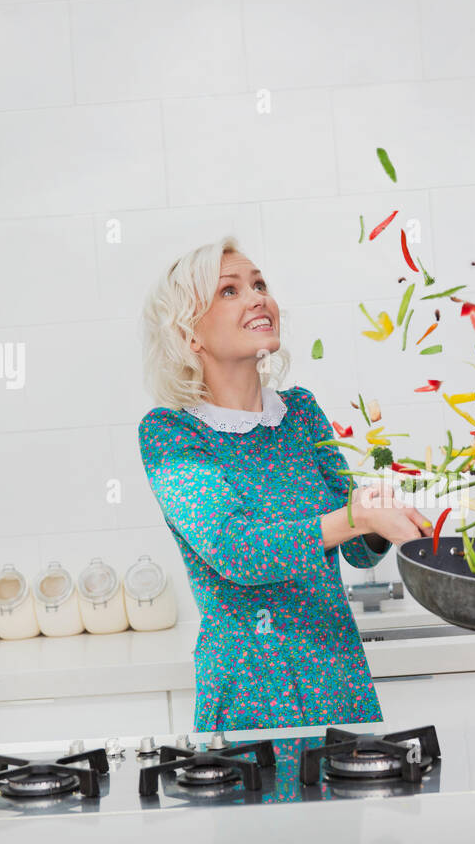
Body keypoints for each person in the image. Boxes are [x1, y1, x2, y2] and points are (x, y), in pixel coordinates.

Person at [138, 234, 431, 732]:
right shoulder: (171, 433)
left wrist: (375, 513)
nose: (258, 298)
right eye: (229, 291)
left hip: (339, 683)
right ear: (190, 335)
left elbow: (358, 550)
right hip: (251, 696)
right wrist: (355, 516)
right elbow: (238, 550)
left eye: (259, 284)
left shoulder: (300, 412)